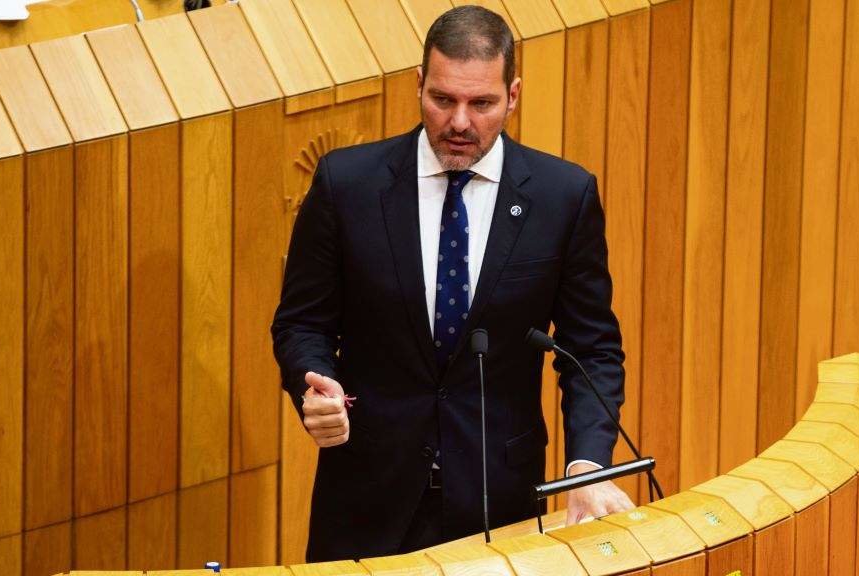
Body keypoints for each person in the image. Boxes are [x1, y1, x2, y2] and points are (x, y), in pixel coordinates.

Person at [271, 5, 633, 562]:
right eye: (443, 99)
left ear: (512, 96)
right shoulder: (347, 185)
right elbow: (302, 322)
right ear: (419, 85)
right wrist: (310, 385)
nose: (459, 122)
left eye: (481, 103)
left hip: (499, 500)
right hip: (367, 498)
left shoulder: (563, 197)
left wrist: (587, 464)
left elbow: (590, 348)